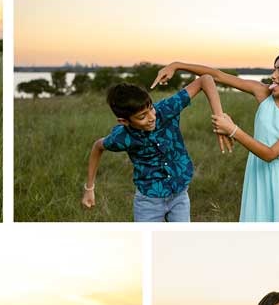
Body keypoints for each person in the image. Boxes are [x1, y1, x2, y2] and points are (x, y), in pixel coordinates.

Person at [152, 55, 279, 221]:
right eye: (274, 70)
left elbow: (271, 154)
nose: (274, 75)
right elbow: (218, 75)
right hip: (257, 171)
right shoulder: (263, 93)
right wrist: (176, 65)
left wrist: (233, 130)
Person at [82, 77, 231, 222]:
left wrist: (220, 119)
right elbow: (97, 147)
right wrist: (89, 188)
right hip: (148, 201)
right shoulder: (121, 137)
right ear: (124, 121)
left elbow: (205, 80)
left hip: (179, 195)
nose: (152, 117)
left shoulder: (166, 110)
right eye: (142, 117)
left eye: (151, 108)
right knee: (146, 244)